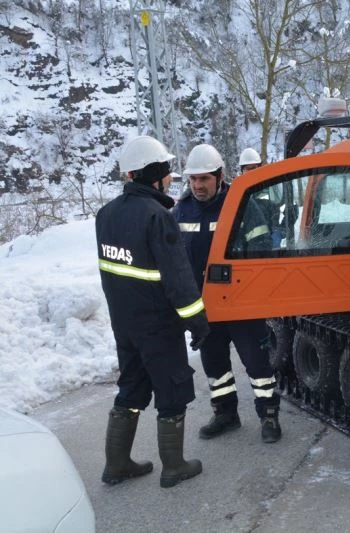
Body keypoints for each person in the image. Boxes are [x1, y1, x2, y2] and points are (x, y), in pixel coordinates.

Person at [96, 135, 209, 488]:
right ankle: (174, 467)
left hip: (125, 324)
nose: (171, 178)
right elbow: (178, 278)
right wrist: (197, 320)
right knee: (172, 390)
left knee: (130, 387)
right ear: (154, 174)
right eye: (167, 171)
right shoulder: (158, 216)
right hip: (158, 325)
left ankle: (116, 465)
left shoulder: (106, 214)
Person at [172, 143, 282, 443]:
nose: (198, 185)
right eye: (193, 179)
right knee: (215, 364)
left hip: (241, 303)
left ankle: (269, 415)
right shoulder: (180, 210)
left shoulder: (242, 204)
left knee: (257, 364)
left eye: (204, 178)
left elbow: (261, 251)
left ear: (219, 177)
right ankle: (225, 413)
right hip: (205, 307)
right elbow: (173, 259)